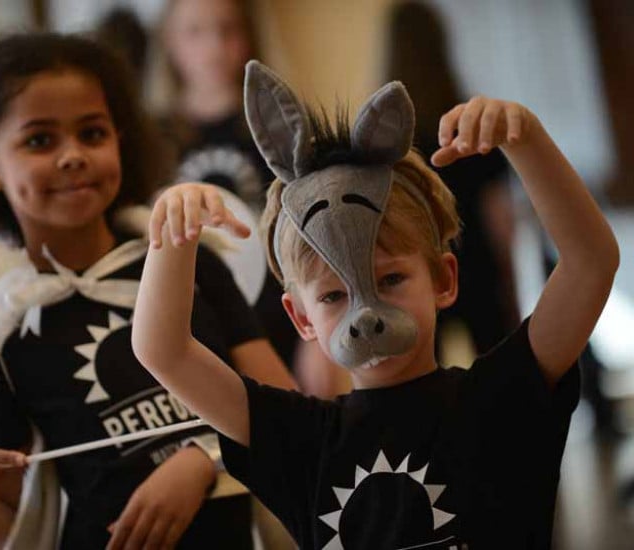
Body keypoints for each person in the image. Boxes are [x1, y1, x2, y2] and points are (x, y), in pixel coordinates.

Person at [131, 60, 619, 548]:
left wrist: (525, 139)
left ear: (445, 280)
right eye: (332, 295)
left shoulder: (501, 396)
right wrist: (171, 232)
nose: (363, 313)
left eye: (390, 279)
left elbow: (590, 263)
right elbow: (163, 350)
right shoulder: (299, 441)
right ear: (301, 317)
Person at [0, 33, 295, 549]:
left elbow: (291, 418)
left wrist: (204, 459)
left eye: (92, 133)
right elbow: (4, 528)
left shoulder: (189, 260)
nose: (72, 156)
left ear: (120, 138)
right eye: (39, 140)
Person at [155, 0, 350, 397]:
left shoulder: (278, 128)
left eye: (227, 30)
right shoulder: (153, 138)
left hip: (280, 315)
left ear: (248, 38)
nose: (214, 45)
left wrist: (317, 336)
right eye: (195, 32)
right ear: (170, 44)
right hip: (194, 327)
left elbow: (315, 230)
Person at [385, 1, 518, 357]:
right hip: (479, 264)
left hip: (419, 272)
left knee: (427, 381)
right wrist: (509, 278)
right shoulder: (470, 123)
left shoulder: (391, 138)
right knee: (498, 371)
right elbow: (498, 216)